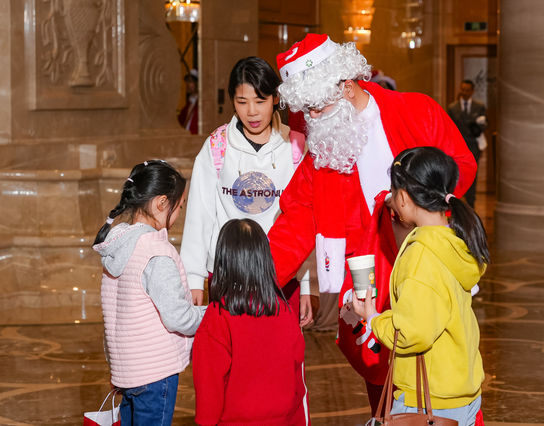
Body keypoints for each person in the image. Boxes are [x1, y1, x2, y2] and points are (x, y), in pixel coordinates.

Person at [267, 33, 477, 412]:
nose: (310, 119)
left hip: (430, 267)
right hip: (372, 284)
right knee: (386, 393)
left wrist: (431, 222)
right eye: (305, 110)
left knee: (448, 370)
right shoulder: (323, 152)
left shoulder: (416, 111)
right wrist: (252, 275)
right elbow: (295, 221)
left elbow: (461, 165)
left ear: (347, 87)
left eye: (317, 107)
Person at [353, 147, 488, 425]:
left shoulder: (421, 255)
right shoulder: (456, 240)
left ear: (402, 197)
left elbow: (412, 332)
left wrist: (373, 319)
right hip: (462, 391)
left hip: (428, 400)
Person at [180, 56, 314, 326]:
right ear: (232, 101)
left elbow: (308, 221)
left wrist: (310, 286)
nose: (252, 112)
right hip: (228, 274)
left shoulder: (297, 148)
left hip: (282, 276)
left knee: (280, 360)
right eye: (242, 102)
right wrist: (192, 278)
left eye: (260, 101)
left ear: (276, 98)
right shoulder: (217, 146)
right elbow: (199, 216)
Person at [92, 160, 206, 426]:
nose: (179, 214)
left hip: (127, 371)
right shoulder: (156, 253)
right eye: (180, 206)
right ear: (161, 203)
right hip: (156, 373)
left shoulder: (118, 244)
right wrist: (211, 313)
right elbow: (178, 318)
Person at [192, 218, 307, 425]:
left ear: (224, 260)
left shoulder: (218, 315)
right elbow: (296, 373)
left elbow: (209, 384)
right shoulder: (283, 310)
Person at [447, 79, 487, 209]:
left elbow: (485, 125)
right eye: (462, 89)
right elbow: (449, 128)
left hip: (473, 145)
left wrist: (479, 125)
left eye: (467, 90)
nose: (464, 92)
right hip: (457, 147)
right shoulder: (453, 107)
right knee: (456, 175)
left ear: (472, 91)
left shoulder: (479, 106)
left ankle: (471, 204)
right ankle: (454, 205)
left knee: (472, 175)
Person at [178, 68, 199, 134]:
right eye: (187, 81)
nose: (187, 84)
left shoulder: (199, 103)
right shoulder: (190, 102)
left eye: (190, 81)